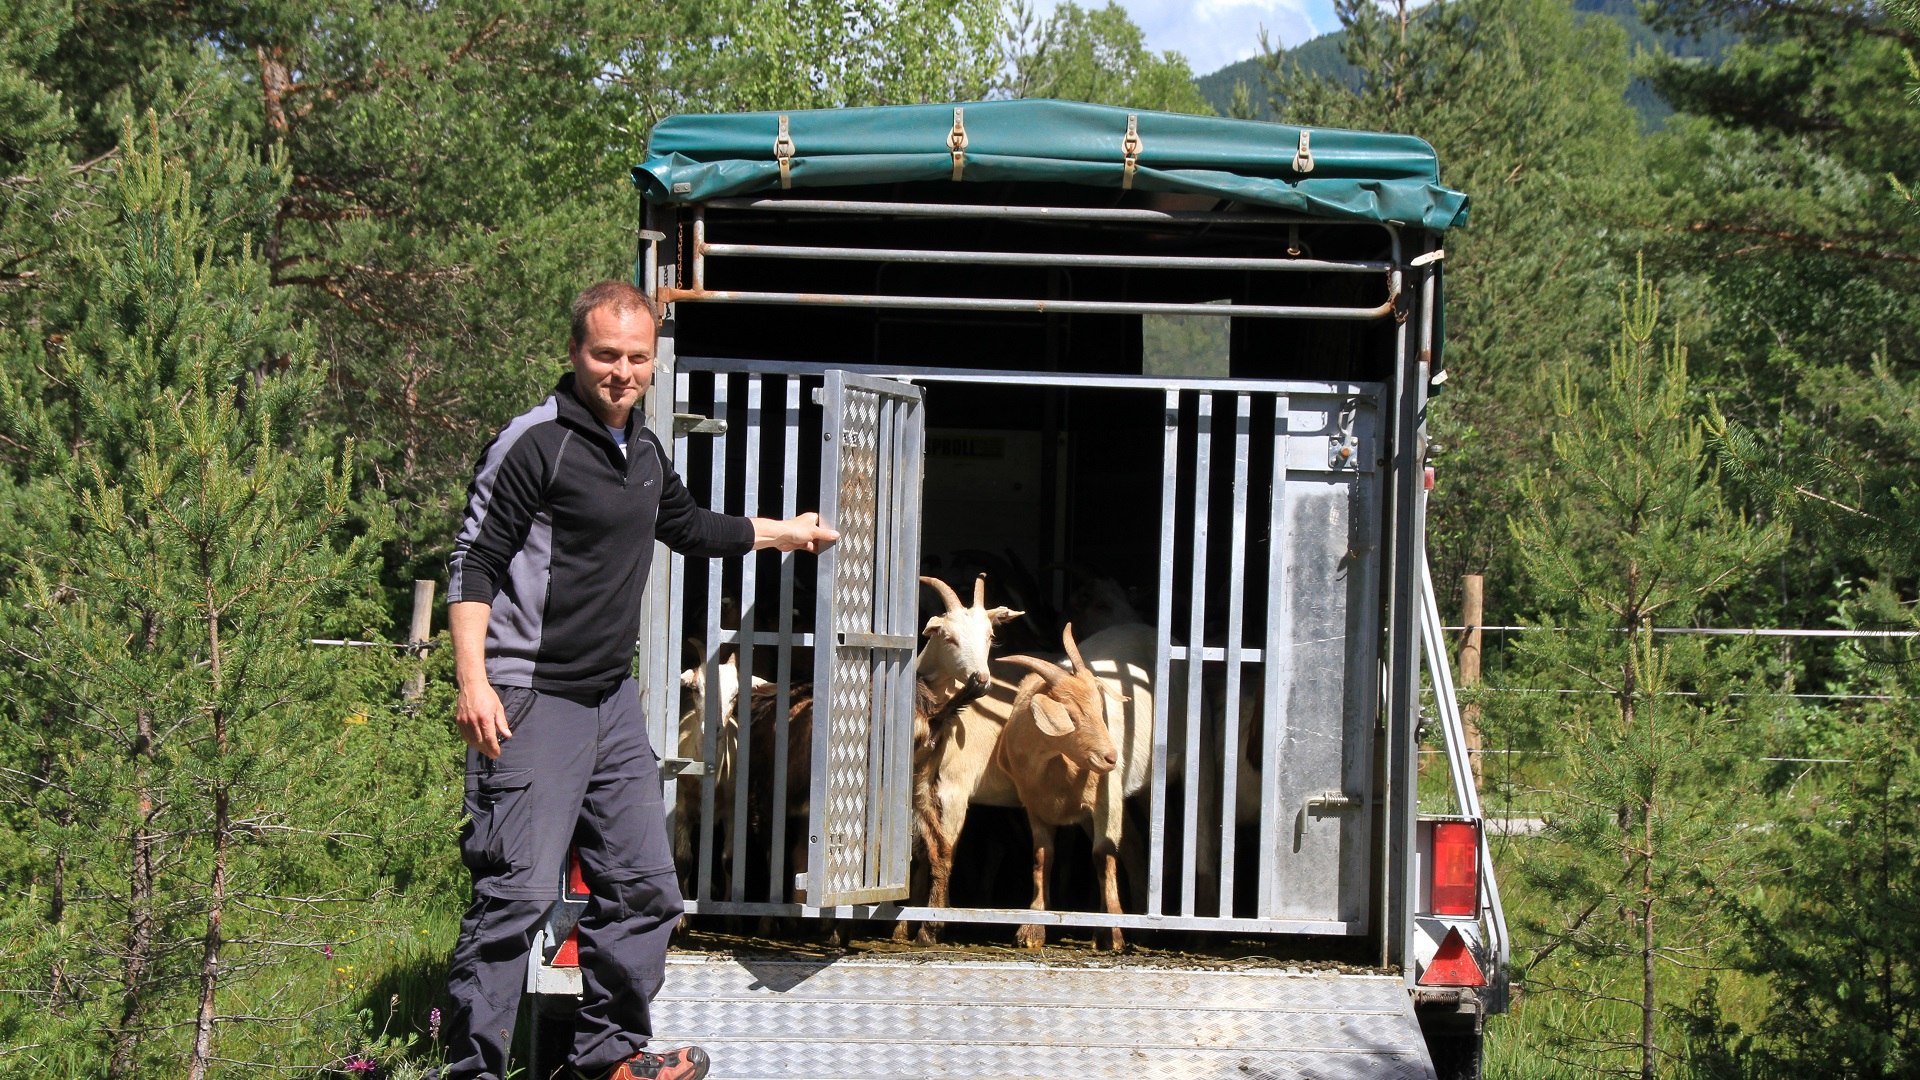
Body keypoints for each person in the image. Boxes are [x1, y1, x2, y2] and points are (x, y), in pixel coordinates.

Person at [440, 280, 837, 1080]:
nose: (622, 372)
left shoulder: (643, 447)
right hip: (529, 696)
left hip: (608, 699)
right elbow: (473, 562)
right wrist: (472, 682)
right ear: (575, 354)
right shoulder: (535, 443)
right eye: (606, 356)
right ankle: (469, 1070)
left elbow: (687, 527)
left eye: (637, 359)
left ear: (653, 362)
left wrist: (782, 535)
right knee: (515, 895)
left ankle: (605, 1059)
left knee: (646, 889)